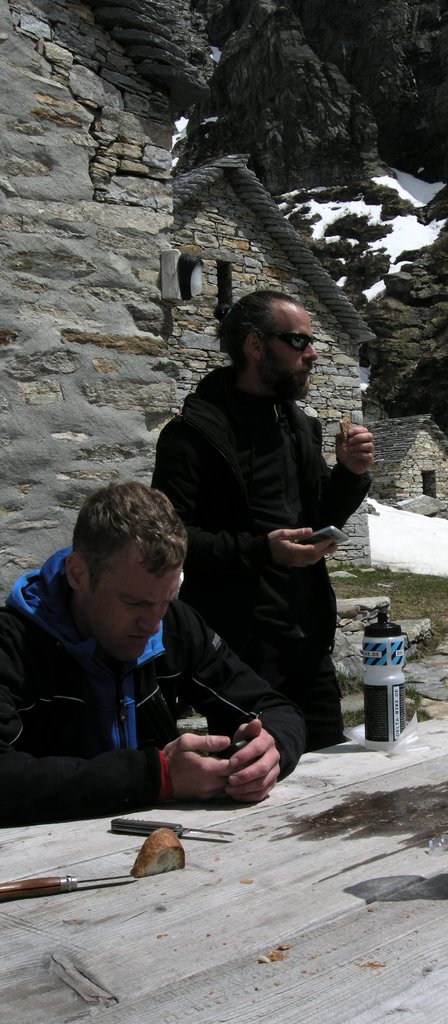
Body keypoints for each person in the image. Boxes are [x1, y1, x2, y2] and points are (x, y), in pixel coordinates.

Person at [0, 481, 306, 827]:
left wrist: (271, 749)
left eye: (165, 599)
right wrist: (157, 776)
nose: (152, 624)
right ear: (77, 573)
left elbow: (275, 708)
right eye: (135, 603)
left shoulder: (174, 626)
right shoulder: (13, 645)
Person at [152, 289, 373, 751]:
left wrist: (351, 474)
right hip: (238, 647)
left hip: (307, 635)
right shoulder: (192, 434)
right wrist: (261, 550)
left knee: (332, 764)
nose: (312, 353)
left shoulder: (299, 427)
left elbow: (320, 516)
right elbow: (170, 539)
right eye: (298, 341)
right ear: (255, 345)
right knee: (258, 772)